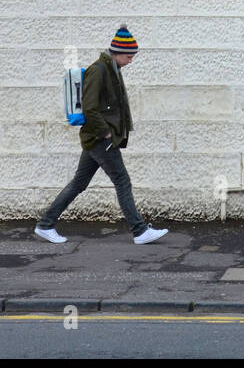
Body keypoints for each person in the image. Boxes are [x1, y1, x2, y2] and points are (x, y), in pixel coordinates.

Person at [34, 25, 168, 245]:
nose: (131, 60)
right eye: (128, 56)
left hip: (95, 139)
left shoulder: (112, 68)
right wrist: (106, 133)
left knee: (78, 183)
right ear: (116, 52)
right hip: (100, 139)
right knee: (122, 181)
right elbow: (90, 107)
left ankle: (45, 224)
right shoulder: (99, 70)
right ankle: (140, 231)